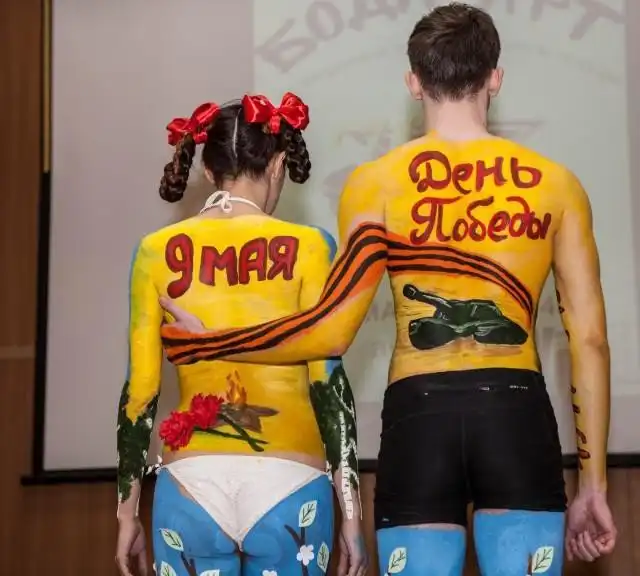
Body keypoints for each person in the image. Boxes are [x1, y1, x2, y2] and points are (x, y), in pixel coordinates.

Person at [157, 4, 618, 575]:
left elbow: (331, 331)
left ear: (414, 82)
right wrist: (594, 484)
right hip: (515, 415)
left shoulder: (375, 183)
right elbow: (589, 341)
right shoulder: (556, 185)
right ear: (495, 78)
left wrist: (212, 341)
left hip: (418, 419)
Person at [115, 92, 367, 576]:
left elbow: (140, 393)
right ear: (278, 164)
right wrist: (352, 513)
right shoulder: (311, 246)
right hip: (290, 481)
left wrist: (126, 513)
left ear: (208, 171)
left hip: (191, 482)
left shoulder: (154, 250)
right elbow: (329, 387)